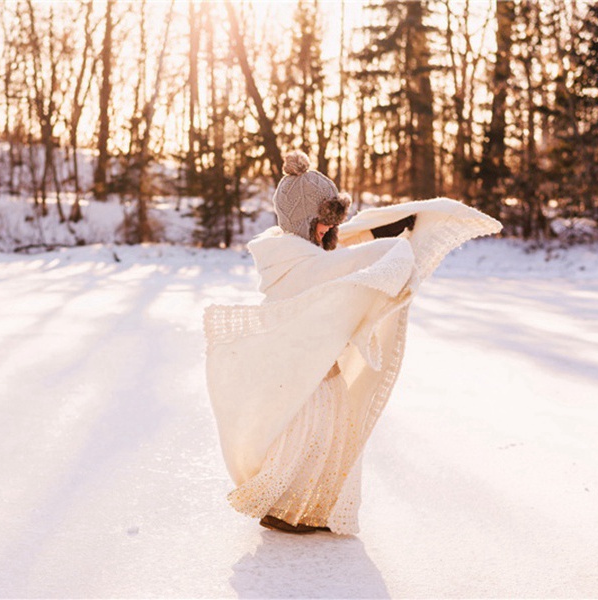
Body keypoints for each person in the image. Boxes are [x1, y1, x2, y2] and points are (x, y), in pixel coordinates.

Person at [204, 150, 501, 535]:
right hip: (306, 376)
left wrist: (378, 230)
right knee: (307, 438)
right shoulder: (304, 265)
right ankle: (286, 508)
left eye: (333, 225)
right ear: (305, 222)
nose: (331, 232)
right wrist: (393, 239)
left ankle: (307, 508)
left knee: (327, 440)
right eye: (324, 224)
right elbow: (356, 261)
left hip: (311, 369)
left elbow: (343, 254)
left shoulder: (287, 254)